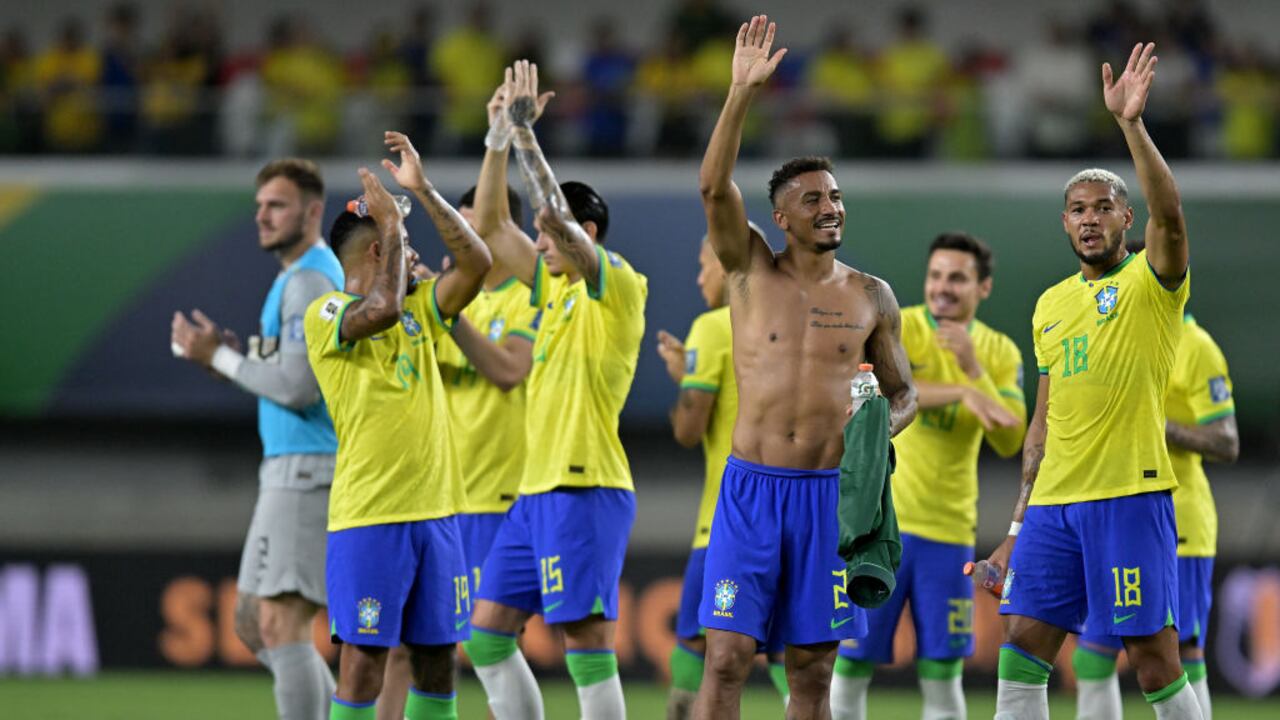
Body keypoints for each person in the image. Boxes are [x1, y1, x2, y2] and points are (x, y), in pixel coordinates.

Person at [692, 16, 917, 720]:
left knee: (812, 673)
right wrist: (738, 93)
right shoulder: (748, 267)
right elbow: (711, 187)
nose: (831, 208)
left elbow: (905, 393)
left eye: (837, 196)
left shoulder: (872, 296)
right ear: (780, 218)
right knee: (725, 660)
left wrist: (879, 433)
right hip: (750, 495)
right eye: (814, 199)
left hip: (829, 500)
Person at [983, 43, 1201, 720]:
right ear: (1064, 221)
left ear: (1125, 220)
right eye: (1077, 208)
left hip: (1128, 499)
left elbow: (1171, 217)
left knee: (1154, 659)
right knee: (1020, 651)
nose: (1089, 218)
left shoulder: (1151, 282)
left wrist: (1132, 126)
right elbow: (1041, 423)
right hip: (1054, 506)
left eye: (1103, 207)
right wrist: (1016, 524)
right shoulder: (1050, 305)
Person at [462, 60, 647, 719]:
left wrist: (526, 138)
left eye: (546, 235)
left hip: (584, 486)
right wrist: (495, 140)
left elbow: (552, 219)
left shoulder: (617, 288)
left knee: (585, 642)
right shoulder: (552, 291)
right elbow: (490, 224)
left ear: (585, 235)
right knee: (485, 636)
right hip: (534, 492)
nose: (536, 244)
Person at [304, 133, 492, 720]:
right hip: (371, 516)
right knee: (364, 663)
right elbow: (379, 309)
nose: (413, 256)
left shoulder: (419, 309)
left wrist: (422, 193)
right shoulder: (327, 312)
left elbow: (478, 264)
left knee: (438, 662)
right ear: (375, 253)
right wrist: (394, 224)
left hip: (438, 514)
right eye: (400, 247)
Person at [170, 158, 342, 720]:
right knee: (252, 621)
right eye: (260, 207)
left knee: (279, 623)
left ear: (313, 211)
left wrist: (218, 356)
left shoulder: (312, 279)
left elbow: (298, 388)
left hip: (308, 468)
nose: (263, 217)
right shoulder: (295, 277)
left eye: (278, 205)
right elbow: (290, 370)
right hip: (289, 470)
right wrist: (233, 362)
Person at [830, 232, 1027, 720]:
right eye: (936, 275)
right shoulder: (902, 327)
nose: (943, 287)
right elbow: (882, 390)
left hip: (949, 532)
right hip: (881, 527)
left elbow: (1011, 440)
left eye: (957, 278)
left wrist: (973, 369)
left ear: (983, 288)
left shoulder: (1000, 352)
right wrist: (962, 392)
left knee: (942, 676)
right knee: (850, 666)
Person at [376, 178, 537, 720]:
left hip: (497, 498)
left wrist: (450, 315)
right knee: (406, 646)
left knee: (488, 647)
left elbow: (510, 370)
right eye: (452, 222)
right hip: (434, 497)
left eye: (467, 224)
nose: (456, 234)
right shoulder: (435, 299)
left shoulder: (529, 298)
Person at [1071, 245, 1238, 720]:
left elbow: (1227, 441)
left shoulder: (1196, 345)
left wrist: (1157, 425)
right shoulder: (1116, 341)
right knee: (1093, 652)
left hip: (1180, 520)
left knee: (1182, 651)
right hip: (1120, 513)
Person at [656, 228, 790, 720]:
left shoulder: (713, 326)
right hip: (791, 518)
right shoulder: (791, 322)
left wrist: (686, 381)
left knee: (700, 640)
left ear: (727, 266)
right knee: (787, 648)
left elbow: (690, 430)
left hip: (725, 525)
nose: (698, 278)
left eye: (703, 265)